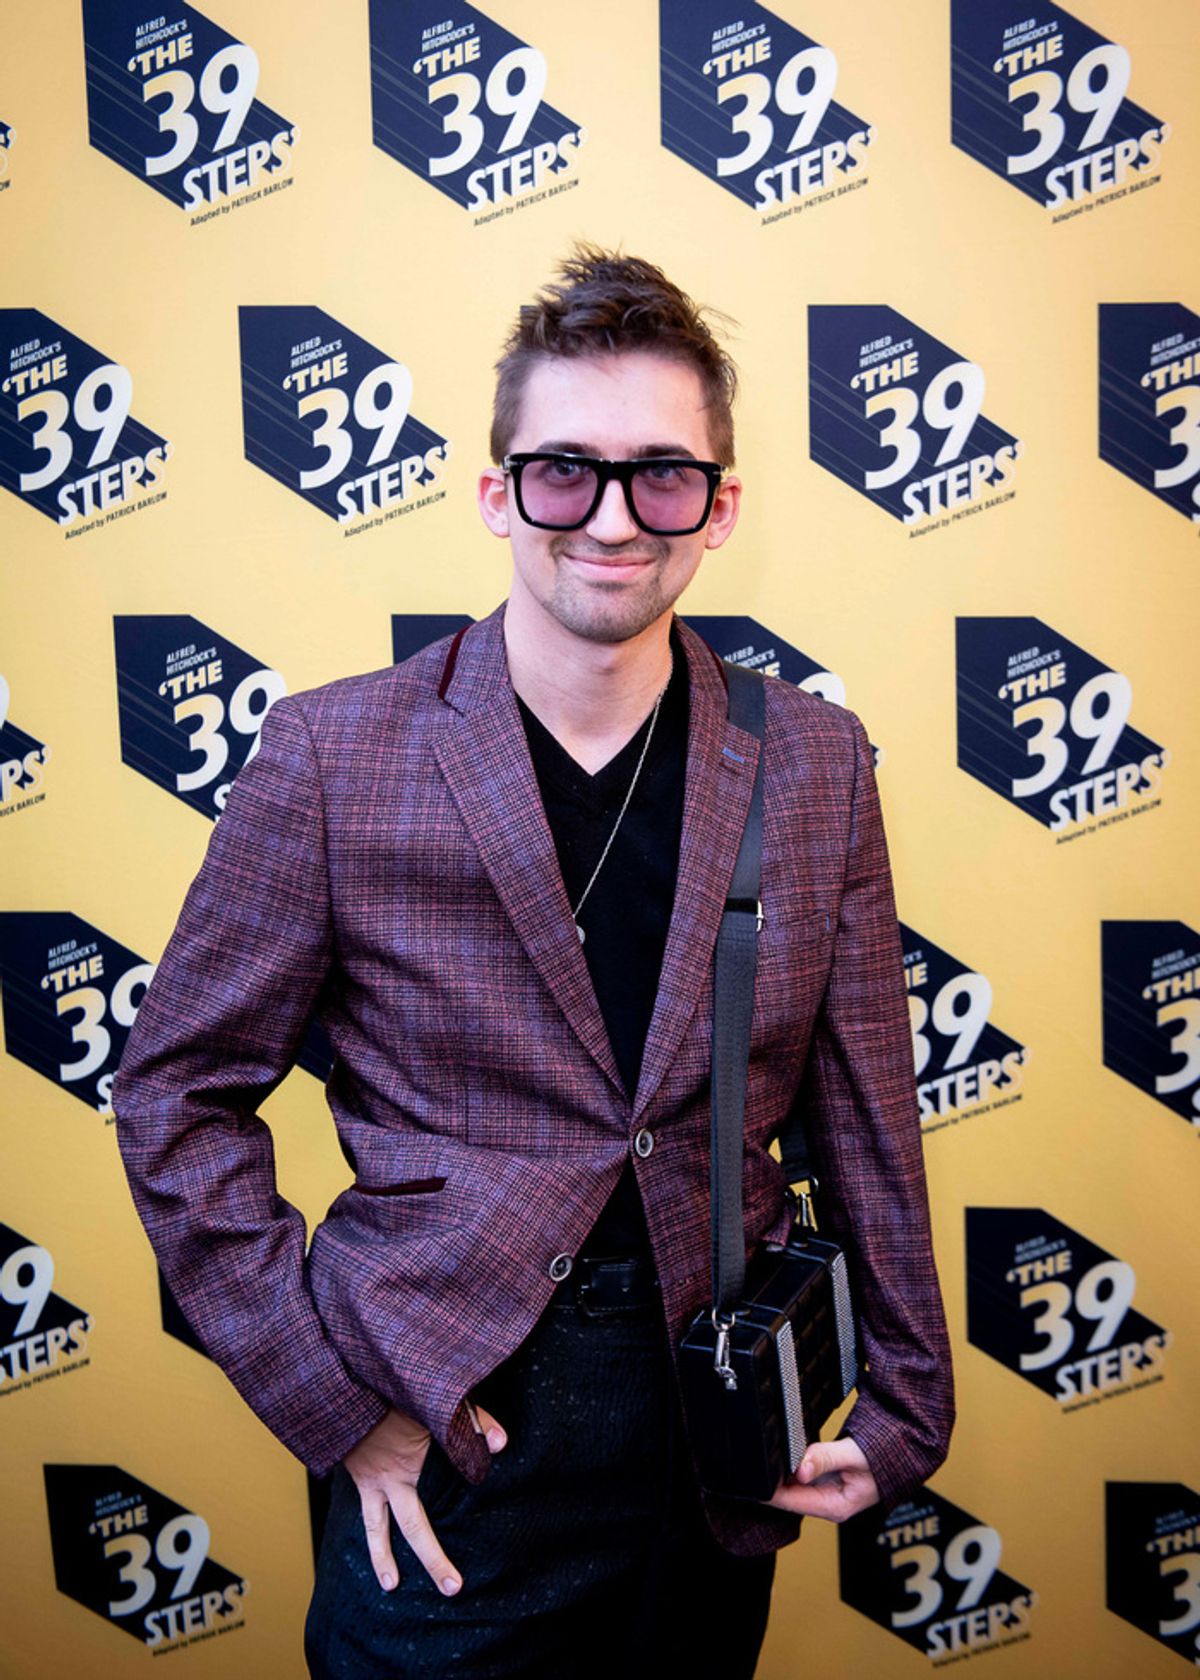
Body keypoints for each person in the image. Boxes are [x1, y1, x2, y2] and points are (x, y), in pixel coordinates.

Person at [113, 245, 954, 1679]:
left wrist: (908, 1404)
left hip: (714, 1423)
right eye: (566, 471)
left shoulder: (814, 761)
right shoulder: (334, 755)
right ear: (499, 490)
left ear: (719, 506)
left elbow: (867, 1104)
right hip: (448, 1425)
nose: (614, 519)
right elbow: (173, 1095)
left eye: (662, 475)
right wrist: (329, 1405)